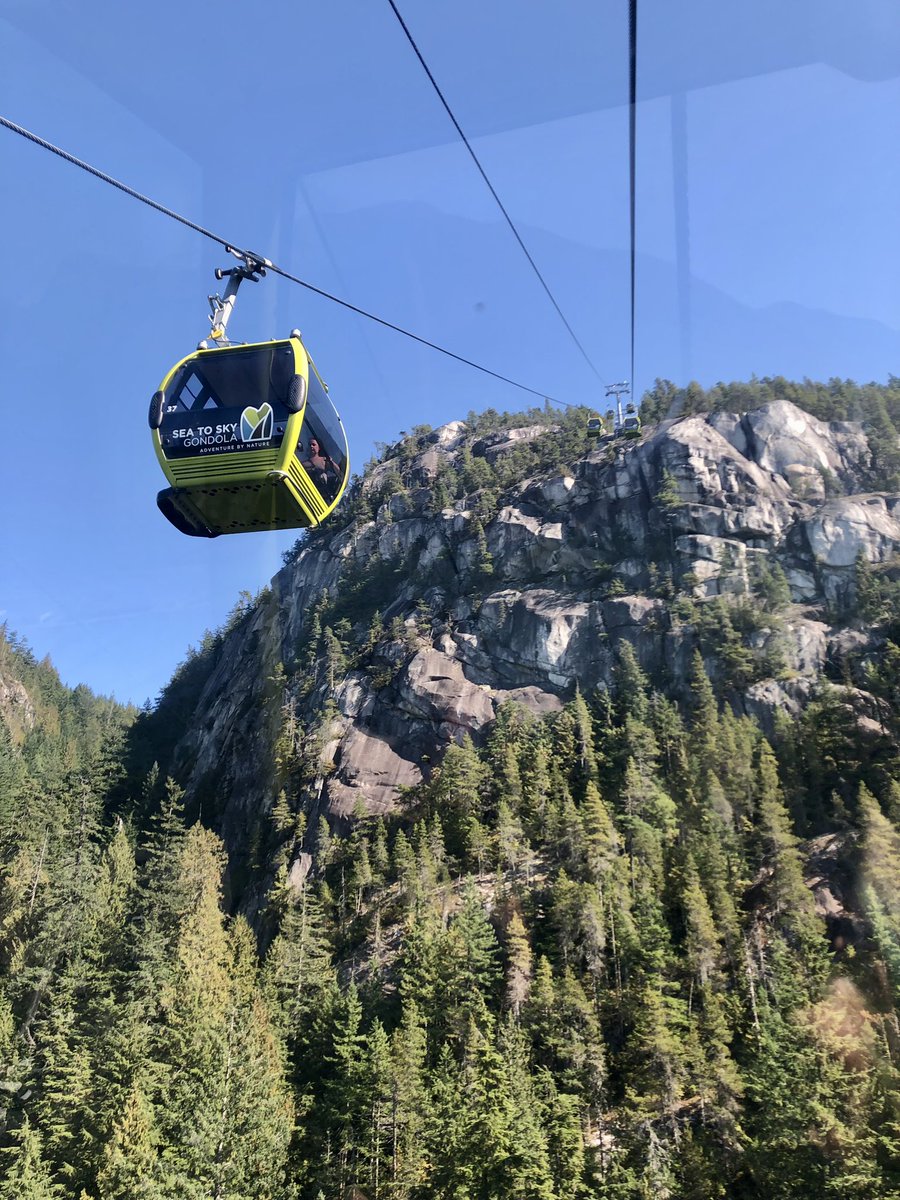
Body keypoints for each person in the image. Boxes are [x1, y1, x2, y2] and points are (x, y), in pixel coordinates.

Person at [301, 435, 341, 499]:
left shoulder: (323, 460)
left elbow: (338, 471)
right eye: (310, 445)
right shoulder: (304, 464)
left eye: (314, 444)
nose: (311, 446)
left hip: (319, 494)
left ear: (319, 447)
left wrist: (331, 462)